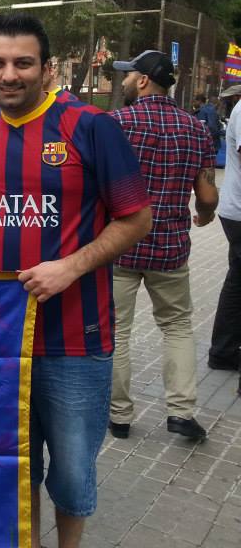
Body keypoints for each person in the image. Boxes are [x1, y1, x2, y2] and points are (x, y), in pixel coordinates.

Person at [0, 14, 152, 548]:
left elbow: (137, 218)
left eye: (23, 63)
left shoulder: (90, 125)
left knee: (70, 475)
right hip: (3, 344)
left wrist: (71, 266)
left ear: (47, 69)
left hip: (76, 341)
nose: (9, 74)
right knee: (15, 468)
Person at [108, 50, 218, 442]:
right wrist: (205, 215)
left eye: (128, 74)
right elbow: (207, 194)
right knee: (177, 326)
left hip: (119, 246)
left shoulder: (116, 123)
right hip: (170, 248)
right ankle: (181, 412)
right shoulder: (195, 129)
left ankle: (119, 416)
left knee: (116, 330)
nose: (123, 80)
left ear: (142, 80)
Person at [209, 81, 241, 376]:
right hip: (239, 212)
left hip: (236, 208)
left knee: (237, 280)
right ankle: (223, 351)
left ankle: (225, 350)